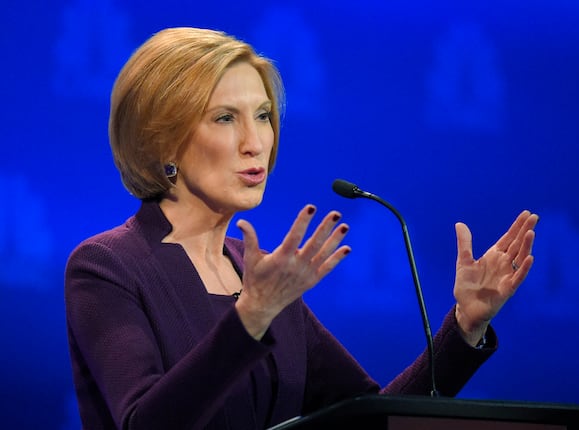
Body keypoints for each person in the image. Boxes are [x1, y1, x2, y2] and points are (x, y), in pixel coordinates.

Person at [64, 27, 539, 430]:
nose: (256, 144)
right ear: (161, 140)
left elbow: (371, 419)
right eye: (226, 118)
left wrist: (465, 326)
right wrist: (250, 317)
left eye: (264, 116)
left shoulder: (263, 278)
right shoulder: (109, 267)